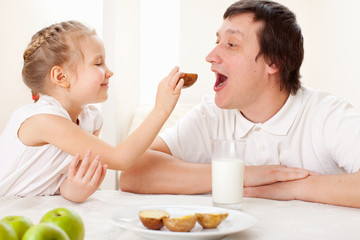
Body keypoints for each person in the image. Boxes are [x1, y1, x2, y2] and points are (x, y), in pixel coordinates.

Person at [119, 0, 360, 208]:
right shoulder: (212, 116)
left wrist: (295, 188)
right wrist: (243, 175)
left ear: (273, 62)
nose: (211, 55)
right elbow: (132, 172)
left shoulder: (327, 114)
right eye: (217, 41)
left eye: (231, 44)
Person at [0, 20, 184, 203]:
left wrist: (74, 190)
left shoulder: (91, 120)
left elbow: (63, 182)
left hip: (38, 212)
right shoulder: (44, 120)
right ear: (61, 77)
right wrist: (161, 109)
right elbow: (120, 158)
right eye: (98, 63)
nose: (109, 71)